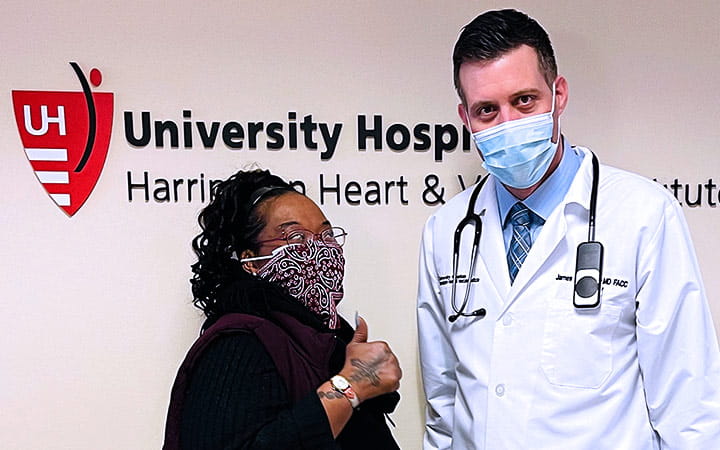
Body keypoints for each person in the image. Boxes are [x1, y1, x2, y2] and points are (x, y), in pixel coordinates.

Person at [417, 9, 720, 449]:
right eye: (487, 110)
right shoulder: (446, 230)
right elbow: (443, 402)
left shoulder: (643, 215)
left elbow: (688, 407)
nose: (508, 124)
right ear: (466, 118)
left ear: (558, 95)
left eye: (524, 100)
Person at [164, 169, 402, 449]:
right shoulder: (239, 344)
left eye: (327, 235)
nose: (319, 248)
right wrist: (350, 385)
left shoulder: (328, 340)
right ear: (251, 261)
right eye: (296, 237)